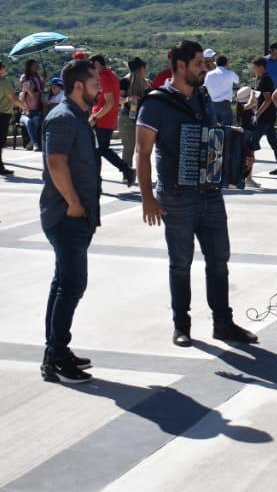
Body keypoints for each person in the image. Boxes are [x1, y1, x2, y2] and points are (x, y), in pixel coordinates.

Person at [135, 40, 259, 347]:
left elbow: (215, 139)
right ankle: (182, 325)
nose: (204, 69)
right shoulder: (156, 102)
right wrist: (147, 197)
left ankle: (223, 323)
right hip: (176, 196)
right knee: (180, 263)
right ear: (180, 66)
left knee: (219, 260)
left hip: (210, 193)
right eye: (198, 64)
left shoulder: (203, 97)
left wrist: (238, 160)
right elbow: (142, 150)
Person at [38, 58, 101, 384]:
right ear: (78, 87)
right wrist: (74, 204)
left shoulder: (76, 116)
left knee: (63, 283)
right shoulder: (63, 117)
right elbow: (56, 164)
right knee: (73, 284)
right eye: (94, 85)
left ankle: (55, 352)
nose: (99, 89)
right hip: (66, 216)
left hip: (76, 215)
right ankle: (57, 357)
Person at [89, 54, 132, 187]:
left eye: (92, 65)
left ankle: (127, 170)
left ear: (97, 63)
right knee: (98, 151)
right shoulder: (112, 75)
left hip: (102, 120)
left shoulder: (104, 77)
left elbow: (110, 102)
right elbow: (117, 98)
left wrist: (95, 117)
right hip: (107, 119)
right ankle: (97, 183)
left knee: (100, 150)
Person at [249, 56, 277, 176]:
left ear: (260, 67)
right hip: (268, 116)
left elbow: (268, 100)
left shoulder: (266, 80)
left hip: (265, 117)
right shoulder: (261, 78)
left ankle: (246, 170)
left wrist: (257, 113)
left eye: (255, 67)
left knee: (251, 142)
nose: (253, 69)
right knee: (273, 142)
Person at [119, 57, 148, 188]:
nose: (145, 70)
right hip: (127, 117)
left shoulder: (146, 83)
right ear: (140, 69)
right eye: (143, 68)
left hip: (142, 118)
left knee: (141, 149)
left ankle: (139, 174)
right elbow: (118, 99)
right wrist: (130, 98)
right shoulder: (125, 81)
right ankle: (127, 174)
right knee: (128, 148)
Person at [203, 52, 238, 127]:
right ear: (226, 63)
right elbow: (237, 81)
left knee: (213, 126)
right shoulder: (230, 73)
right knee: (227, 127)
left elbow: (204, 86)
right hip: (224, 104)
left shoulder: (209, 74)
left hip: (212, 104)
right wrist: (228, 70)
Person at [19, 59, 46, 151]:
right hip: (26, 113)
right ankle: (35, 143)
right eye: (34, 66)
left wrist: (44, 80)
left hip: (36, 111)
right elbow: (22, 107)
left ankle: (31, 141)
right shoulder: (23, 93)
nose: (36, 68)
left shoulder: (37, 77)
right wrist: (29, 91)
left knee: (37, 122)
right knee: (30, 122)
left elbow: (41, 88)